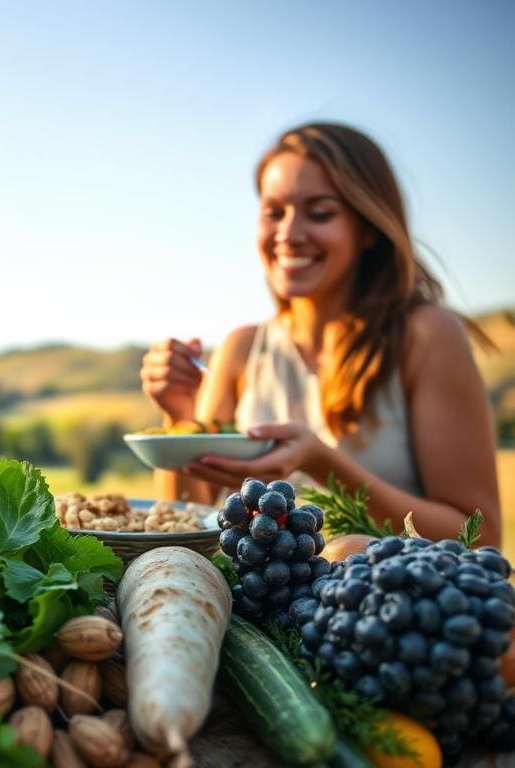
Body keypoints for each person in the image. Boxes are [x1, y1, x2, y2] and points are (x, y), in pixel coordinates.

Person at [139, 122, 501, 546]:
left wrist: (322, 465)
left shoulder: (426, 336)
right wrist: (180, 421)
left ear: (368, 227)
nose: (289, 235)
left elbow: (481, 538)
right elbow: (185, 528)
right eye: (274, 212)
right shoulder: (240, 350)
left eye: (320, 213)